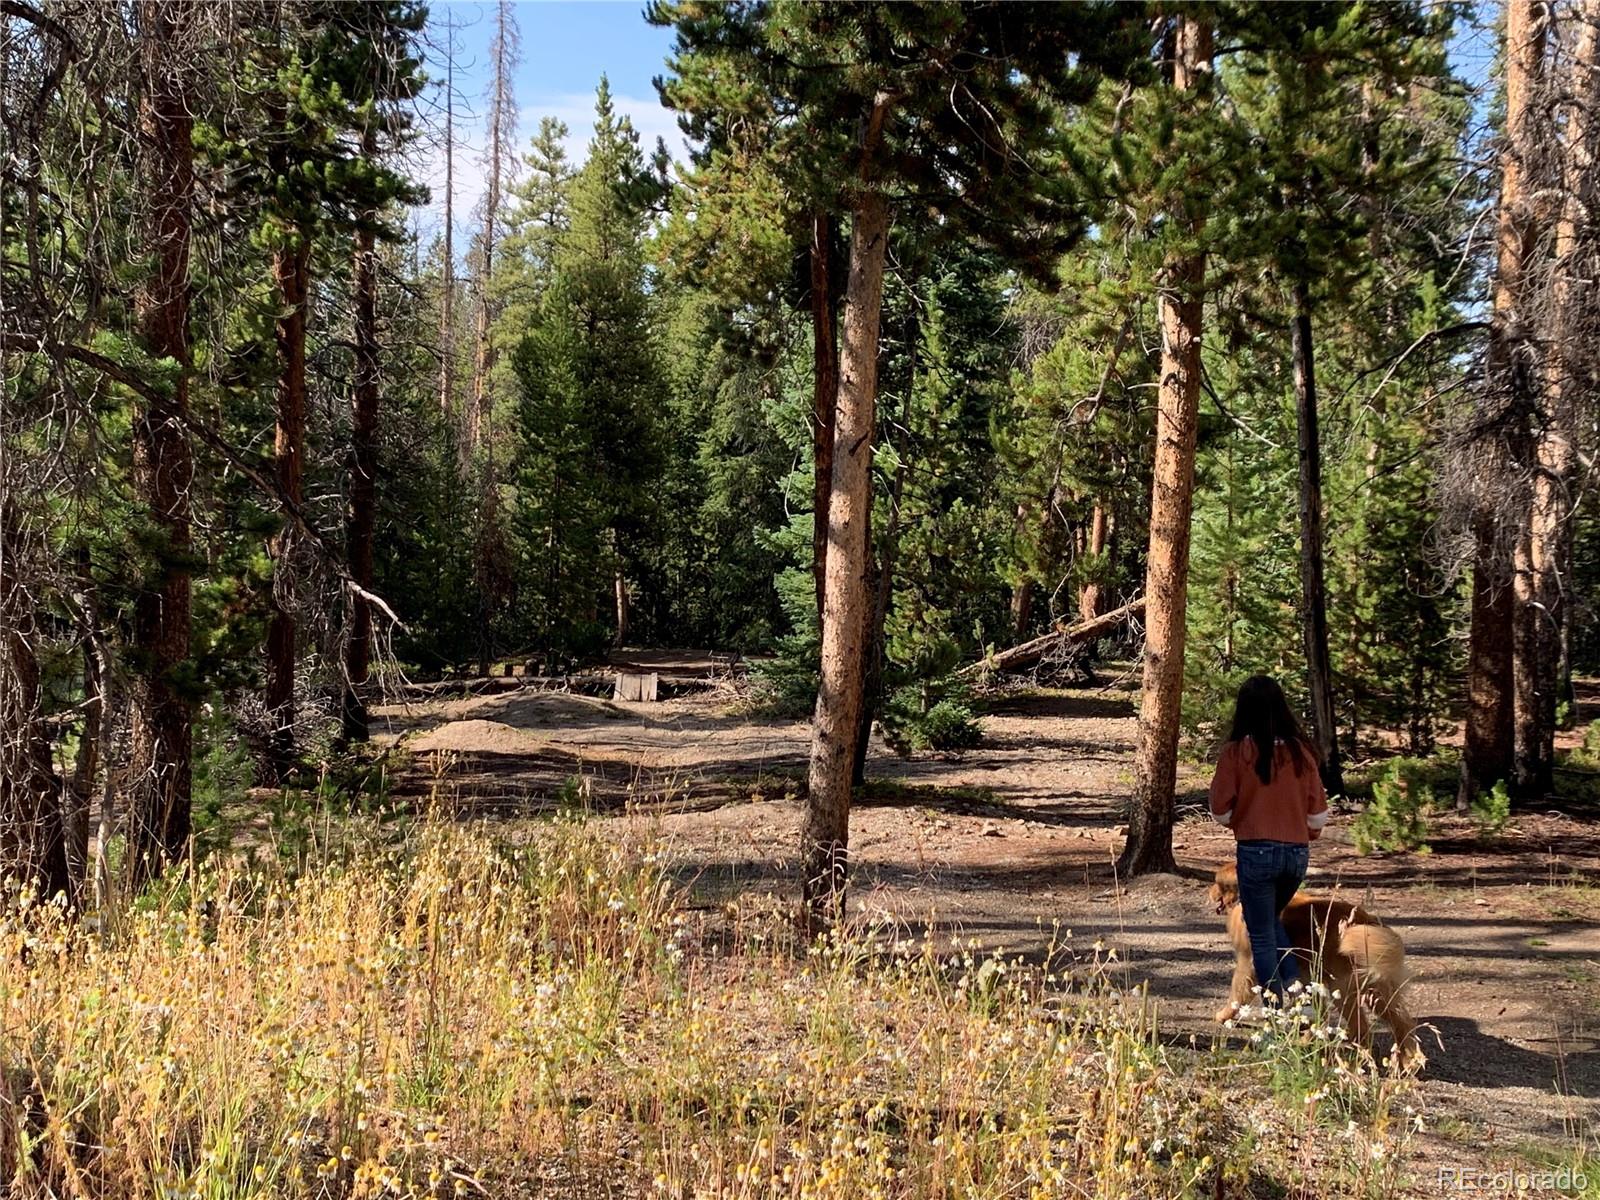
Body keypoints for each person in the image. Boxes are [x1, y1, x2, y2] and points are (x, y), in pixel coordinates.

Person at [1208, 674, 1329, 1002]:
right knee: (1269, 922)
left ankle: (1278, 1007)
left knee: (1260, 933)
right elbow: (1318, 815)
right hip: (1297, 855)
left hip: (1256, 853)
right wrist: (1302, 830)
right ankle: (1300, 997)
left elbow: (1219, 810)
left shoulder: (1236, 752)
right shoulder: (1302, 752)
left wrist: (1241, 818)